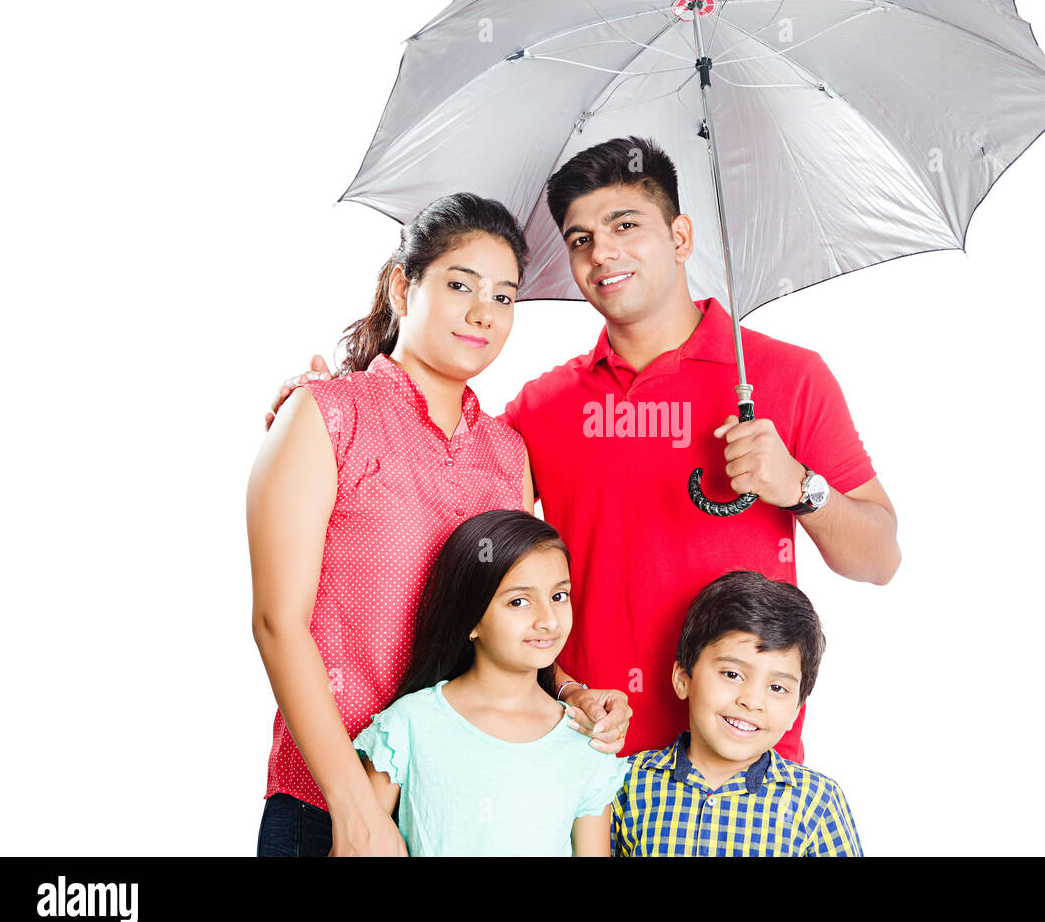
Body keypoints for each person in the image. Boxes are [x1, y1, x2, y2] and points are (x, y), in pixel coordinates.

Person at [267, 135, 899, 764]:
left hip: (739, 770)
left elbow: (879, 559)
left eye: (625, 224)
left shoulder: (789, 377)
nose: (604, 253)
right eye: (580, 240)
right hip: (582, 763)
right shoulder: (544, 407)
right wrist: (329, 406)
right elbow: (439, 468)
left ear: (681, 237)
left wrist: (801, 487)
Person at [248, 193, 539, 857]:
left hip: (464, 814)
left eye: (503, 297)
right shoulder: (326, 416)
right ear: (402, 288)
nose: (482, 314)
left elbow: (512, 628)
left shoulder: (508, 453)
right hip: (326, 806)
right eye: (460, 285)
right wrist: (355, 806)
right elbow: (276, 623)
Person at [352, 509, 628, 856]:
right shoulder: (407, 726)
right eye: (519, 601)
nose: (548, 619)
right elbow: (358, 846)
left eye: (559, 596)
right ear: (471, 620)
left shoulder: (586, 741)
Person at [611, 570, 863, 856]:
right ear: (683, 678)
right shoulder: (625, 783)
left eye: (778, 688)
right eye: (732, 674)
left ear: (797, 710)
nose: (752, 701)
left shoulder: (816, 802)